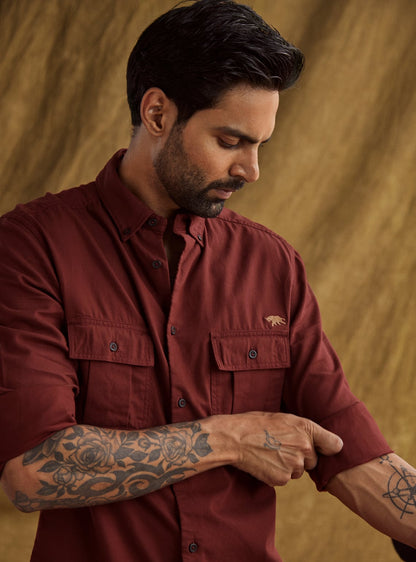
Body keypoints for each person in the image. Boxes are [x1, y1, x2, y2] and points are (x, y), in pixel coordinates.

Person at [0, 1, 415, 560]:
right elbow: (36, 471)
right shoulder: (31, 246)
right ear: (157, 114)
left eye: (260, 145)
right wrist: (231, 438)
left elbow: (353, 454)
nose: (251, 170)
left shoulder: (272, 264)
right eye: (230, 141)